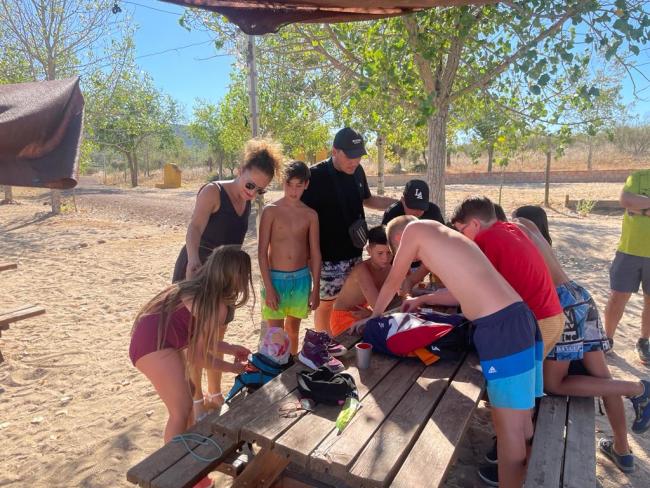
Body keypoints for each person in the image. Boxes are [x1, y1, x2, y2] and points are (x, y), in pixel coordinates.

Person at [474, 208, 650, 480]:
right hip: (578, 295)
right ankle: (623, 449)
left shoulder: (502, 237)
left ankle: (637, 388)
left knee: (548, 383)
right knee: (602, 376)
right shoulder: (525, 225)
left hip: (559, 307)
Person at [372, 217, 543, 488]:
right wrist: (423, 299)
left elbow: (393, 281)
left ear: (398, 240)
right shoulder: (447, 238)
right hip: (520, 319)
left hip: (499, 330)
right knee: (523, 424)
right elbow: (458, 291)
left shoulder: (413, 231)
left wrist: (374, 318)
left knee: (508, 432)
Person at [172, 138, 282, 415]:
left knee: (218, 334)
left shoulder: (247, 202)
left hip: (224, 277)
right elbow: (194, 228)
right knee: (196, 340)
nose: (253, 192)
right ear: (238, 170)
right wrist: (194, 258)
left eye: (260, 190)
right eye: (250, 185)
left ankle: (215, 394)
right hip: (197, 271)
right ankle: (197, 402)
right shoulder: (213, 192)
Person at [130, 246, 253, 444]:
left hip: (152, 338)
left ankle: (182, 453)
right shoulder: (215, 305)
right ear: (235, 277)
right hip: (154, 346)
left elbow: (198, 340)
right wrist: (232, 368)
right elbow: (198, 356)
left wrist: (229, 348)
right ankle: (171, 466)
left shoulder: (199, 288)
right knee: (181, 409)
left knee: (187, 398)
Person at [301, 127, 396, 340]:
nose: (355, 161)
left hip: (354, 252)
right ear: (335, 151)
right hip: (327, 257)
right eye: (351, 156)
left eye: (359, 156)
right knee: (326, 306)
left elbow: (368, 199)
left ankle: (343, 342)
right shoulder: (314, 176)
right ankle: (324, 347)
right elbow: (301, 218)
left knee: (350, 304)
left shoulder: (357, 171)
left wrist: (397, 204)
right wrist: (309, 259)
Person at [448, 196, 564, 357]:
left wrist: (423, 300)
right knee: (530, 376)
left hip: (538, 320)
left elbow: (469, 293)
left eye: (462, 231)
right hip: (553, 316)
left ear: (475, 224)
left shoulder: (486, 239)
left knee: (516, 378)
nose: (462, 237)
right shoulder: (510, 229)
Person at [258, 161, 321, 355]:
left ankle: (290, 367)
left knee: (293, 330)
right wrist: (268, 287)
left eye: (298, 185)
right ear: (282, 182)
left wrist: (316, 288)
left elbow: (316, 253)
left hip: (301, 280)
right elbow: (261, 252)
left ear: (306, 185)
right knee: (275, 333)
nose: (293, 191)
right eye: (289, 184)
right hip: (275, 280)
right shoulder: (270, 211)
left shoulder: (310, 215)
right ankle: (275, 371)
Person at [603, 169, 650, 363]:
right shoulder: (638, 177)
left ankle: (644, 341)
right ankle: (607, 339)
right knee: (617, 298)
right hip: (628, 251)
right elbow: (625, 201)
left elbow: (633, 205)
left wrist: (641, 209)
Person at [329, 226, 394, 338]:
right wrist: (371, 314)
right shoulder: (362, 271)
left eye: (389, 252)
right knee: (385, 335)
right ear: (369, 250)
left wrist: (371, 314)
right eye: (380, 253)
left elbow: (398, 295)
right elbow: (379, 308)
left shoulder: (389, 267)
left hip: (366, 314)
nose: (385, 258)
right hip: (345, 318)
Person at [382, 179, 444, 293]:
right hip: (399, 262)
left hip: (427, 262)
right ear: (402, 200)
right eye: (412, 207)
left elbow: (441, 247)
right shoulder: (392, 213)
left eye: (421, 208)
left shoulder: (434, 212)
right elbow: (387, 249)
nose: (416, 212)